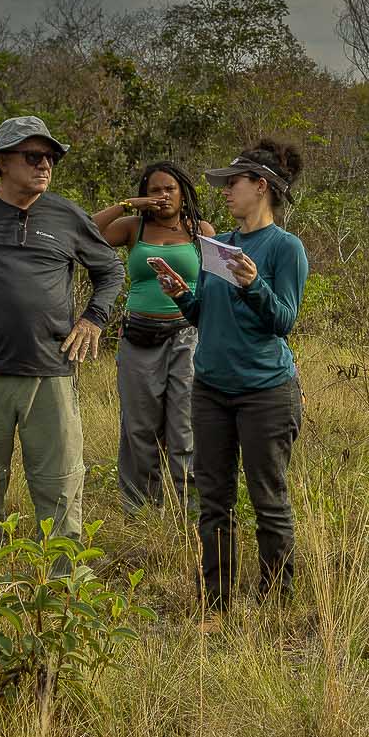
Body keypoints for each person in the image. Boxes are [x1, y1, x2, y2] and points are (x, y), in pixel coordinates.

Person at [0, 116, 125, 555]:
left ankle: (62, 590)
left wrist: (93, 318)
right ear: (1, 161)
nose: (45, 166)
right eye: (33, 156)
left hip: (51, 372)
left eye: (50, 157)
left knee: (61, 490)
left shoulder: (67, 214)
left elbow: (110, 269)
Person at [148, 140, 308, 611]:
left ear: (261, 187)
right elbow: (206, 315)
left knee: (268, 502)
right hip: (211, 390)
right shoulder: (223, 246)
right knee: (213, 502)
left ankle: (275, 606)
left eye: (232, 184)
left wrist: (254, 283)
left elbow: (282, 321)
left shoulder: (285, 248)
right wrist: (181, 294)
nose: (224, 193)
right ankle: (215, 604)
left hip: (265, 392)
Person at [91, 162, 215, 511]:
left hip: (187, 337)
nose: (162, 196)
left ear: (182, 193)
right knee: (139, 429)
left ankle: (189, 511)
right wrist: (129, 205)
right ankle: (140, 511)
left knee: (185, 427)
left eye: (169, 189)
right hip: (139, 338)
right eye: (155, 190)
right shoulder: (133, 227)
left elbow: (219, 280)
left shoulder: (199, 230)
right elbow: (84, 232)